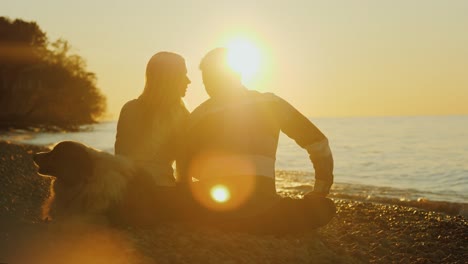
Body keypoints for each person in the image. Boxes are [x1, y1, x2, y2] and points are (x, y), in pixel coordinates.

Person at [177, 48, 335, 232]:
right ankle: (255, 223)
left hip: (215, 209)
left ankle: (228, 222)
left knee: (179, 198)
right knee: (325, 208)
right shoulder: (271, 104)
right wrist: (320, 190)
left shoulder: (198, 117)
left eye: (208, 80)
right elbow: (319, 144)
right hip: (266, 210)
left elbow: (185, 172)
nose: (208, 86)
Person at [115, 52, 191, 187]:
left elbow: (119, 159)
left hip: (126, 190)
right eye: (183, 75)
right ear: (171, 79)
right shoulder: (181, 115)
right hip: (161, 191)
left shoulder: (128, 109)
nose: (188, 81)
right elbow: (183, 170)